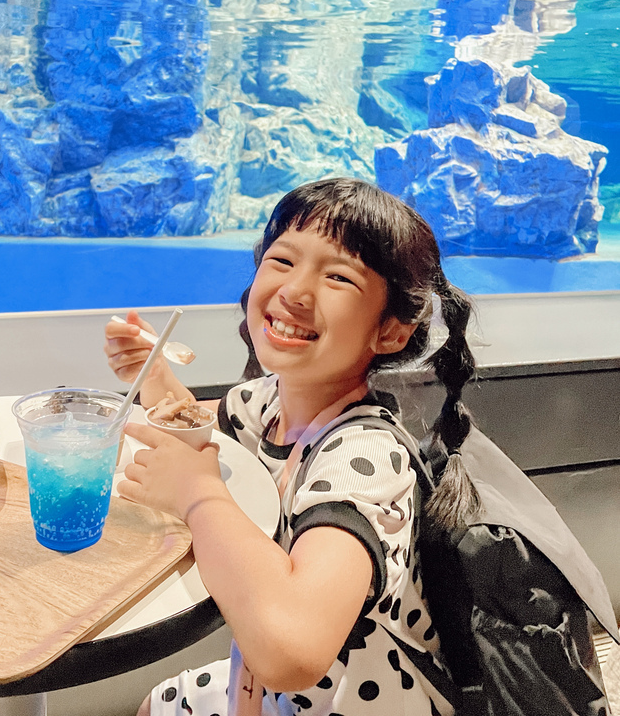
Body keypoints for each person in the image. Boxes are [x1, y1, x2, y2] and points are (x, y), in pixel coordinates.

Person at [104, 178, 477, 716]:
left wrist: (198, 496)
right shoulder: (266, 404)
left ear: (393, 332)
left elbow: (294, 650)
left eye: (338, 277)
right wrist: (155, 374)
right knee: (161, 704)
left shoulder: (365, 461)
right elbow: (194, 434)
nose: (296, 291)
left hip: (356, 699)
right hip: (270, 690)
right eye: (282, 261)